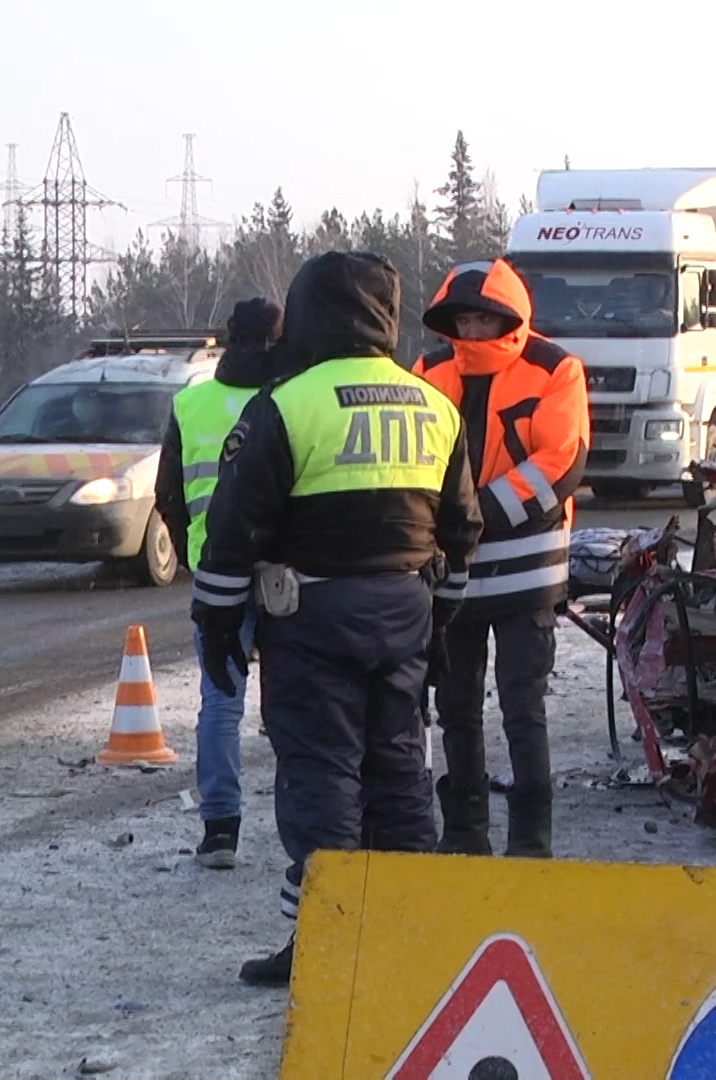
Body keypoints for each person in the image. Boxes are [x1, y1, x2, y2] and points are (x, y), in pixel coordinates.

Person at [193, 252, 482, 985]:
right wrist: (442, 621)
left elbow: (236, 527)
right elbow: (462, 527)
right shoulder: (433, 403)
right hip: (407, 608)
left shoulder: (289, 404)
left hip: (315, 615)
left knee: (323, 774)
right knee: (398, 768)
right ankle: (416, 936)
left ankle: (326, 944)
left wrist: (219, 620)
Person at [413, 258, 590, 860]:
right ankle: (464, 833)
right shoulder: (429, 370)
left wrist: (474, 510)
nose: (471, 328)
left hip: (527, 568)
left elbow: (562, 460)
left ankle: (530, 841)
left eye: (483, 317)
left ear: (508, 318)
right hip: (453, 567)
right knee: (455, 705)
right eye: (461, 318)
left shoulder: (555, 369)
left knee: (522, 706)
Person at [153, 298, 281, 870]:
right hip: (284, 573)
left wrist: (192, 559)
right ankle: (306, 827)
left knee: (221, 704)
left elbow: (170, 496)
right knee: (294, 704)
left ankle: (220, 832)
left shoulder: (191, 404)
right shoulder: (290, 398)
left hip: (214, 574)